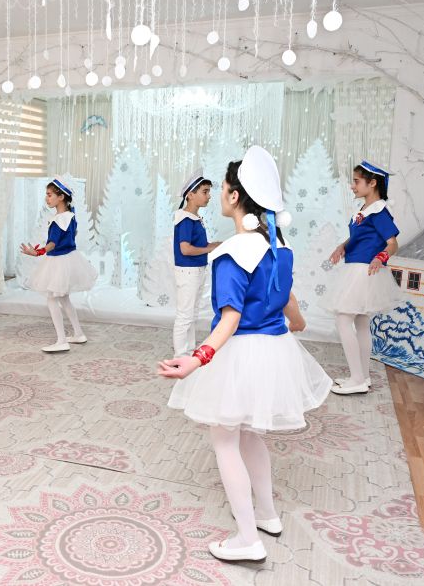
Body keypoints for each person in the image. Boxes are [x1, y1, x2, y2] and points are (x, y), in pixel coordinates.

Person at [159, 147, 331, 563]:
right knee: (251, 435)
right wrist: (297, 322)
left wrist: (196, 359)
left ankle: (247, 538)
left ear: (234, 196)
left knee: (224, 439)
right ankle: (267, 515)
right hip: (274, 349)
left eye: (222, 188)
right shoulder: (279, 246)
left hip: (241, 351)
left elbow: (230, 318)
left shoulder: (232, 251)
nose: (220, 194)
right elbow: (288, 298)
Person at [325, 161, 401, 395]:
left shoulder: (379, 211)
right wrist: (343, 245)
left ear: (373, 183)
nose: (352, 186)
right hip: (357, 266)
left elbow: (392, 243)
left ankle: (357, 378)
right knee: (360, 322)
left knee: (343, 319)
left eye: (356, 181)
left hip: (364, 269)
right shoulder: (366, 210)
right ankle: (363, 376)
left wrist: (380, 257)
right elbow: (360, 237)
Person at [20, 174, 97, 353]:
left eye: (49, 195)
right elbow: (71, 236)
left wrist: (37, 252)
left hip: (58, 261)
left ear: (61, 197)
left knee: (52, 299)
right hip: (69, 258)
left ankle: (62, 340)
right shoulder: (71, 216)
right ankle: (78, 333)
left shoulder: (58, 220)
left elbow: (53, 243)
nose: (46, 198)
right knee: (64, 298)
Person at [173, 171, 222, 356]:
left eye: (209, 192)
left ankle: (189, 351)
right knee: (185, 315)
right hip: (188, 271)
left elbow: (198, 245)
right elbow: (185, 249)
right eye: (205, 192)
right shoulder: (185, 219)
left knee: (191, 313)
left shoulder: (194, 219)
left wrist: (214, 245)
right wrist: (209, 248)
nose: (209, 196)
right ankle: (180, 355)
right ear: (190, 195)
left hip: (196, 270)